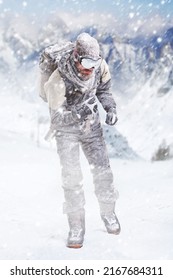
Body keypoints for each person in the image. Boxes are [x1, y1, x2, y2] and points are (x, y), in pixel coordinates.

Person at [39, 32, 121, 249]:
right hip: (66, 133)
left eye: (94, 62)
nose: (90, 68)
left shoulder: (98, 68)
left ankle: (109, 213)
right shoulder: (58, 80)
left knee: (103, 171)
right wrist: (78, 114)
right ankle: (76, 226)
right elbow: (56, 118)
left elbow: (104, 89)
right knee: (72, 178)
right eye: (86, 62)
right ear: (76, 57)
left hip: (91, 127)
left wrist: (110, 108)